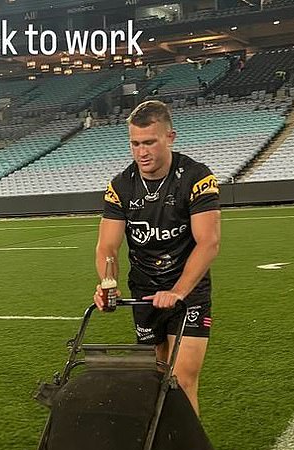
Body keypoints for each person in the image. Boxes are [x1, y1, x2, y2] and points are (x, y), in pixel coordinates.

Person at [93, 100, 220, 415]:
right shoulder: (121, 186)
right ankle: (159, 447)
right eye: (135, 144)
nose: (141, 152)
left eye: (149, 142)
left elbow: (208, 242)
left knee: (182, 378)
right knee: (156, 376)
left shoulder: (197, 178)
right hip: (144, 292)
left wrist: (178, 291)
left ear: (170, 137)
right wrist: (107, 282)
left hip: (188, 292)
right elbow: (107, 246)